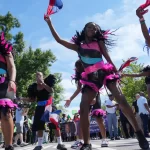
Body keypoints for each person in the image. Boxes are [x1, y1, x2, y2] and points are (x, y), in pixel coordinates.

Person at [44, 16, 149, 149]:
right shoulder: (78, 47)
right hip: (90, 78)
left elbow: (107, 56)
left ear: (97, 31)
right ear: (84, 29)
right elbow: (59, 40)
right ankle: (87, 143)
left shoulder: (99, 43)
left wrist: (115, 71)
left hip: (104, 73)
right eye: (90, 27)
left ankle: (139, 133)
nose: (92, 29)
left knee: (122, 100)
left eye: (95, 28)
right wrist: (49, 22)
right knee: (83, 107)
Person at [65, 60, 108, 148]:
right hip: (85, 95)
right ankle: (81, 140)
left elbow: (97, 85)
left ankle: (104, 139)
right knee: (83, 118)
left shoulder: (91, 71)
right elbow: (78, 89)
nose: (77, 68)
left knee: (99, 119)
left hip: (95, 93)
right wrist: (70, 99)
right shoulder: (79, 75)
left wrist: (94, 97)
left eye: (78, 66)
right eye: (76, 67)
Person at [22, 72, 67, 150]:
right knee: (40, 125)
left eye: (39, 75)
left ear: (43, 76)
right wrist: (22, 98)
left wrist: (42, 84)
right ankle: (39, 144)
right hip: (40, 107)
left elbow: (51, 90)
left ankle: (60, 143)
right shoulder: (33, 87)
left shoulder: (47, 83)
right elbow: (32, 99)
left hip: (49, 106)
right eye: (36, 76)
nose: (38, 77)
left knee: (55, 124)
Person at [0, 31, 17, 150]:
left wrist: (12, 80)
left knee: (6, 113)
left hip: (5, 82)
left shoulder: (5, 48)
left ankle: (8, 146)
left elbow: (11, 67)